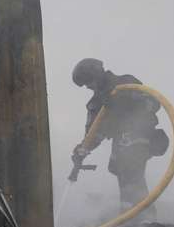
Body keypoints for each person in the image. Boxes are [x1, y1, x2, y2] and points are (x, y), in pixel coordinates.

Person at [70, 58, 168, 209]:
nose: (88, 87)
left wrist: (124, 100)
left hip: (139, 136)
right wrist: (82, 149)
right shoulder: (96, 104)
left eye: (89, 81)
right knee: (122, 172)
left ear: (97, 74)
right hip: (120, 145)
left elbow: (153, 102)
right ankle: (131, 215)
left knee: (130, 171)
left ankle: (141, 216)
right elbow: (94, 133)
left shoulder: (125, 83)